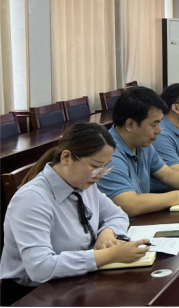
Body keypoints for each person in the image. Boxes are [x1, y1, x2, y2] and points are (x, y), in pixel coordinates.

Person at [0, 123, 151, 305]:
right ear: (66, 158)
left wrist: (107, 233)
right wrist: (110, 255)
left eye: (106, 167)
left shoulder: (84, 184)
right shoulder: (31, 199)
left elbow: (117, 215)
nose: (100, 175)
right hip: (34, 294)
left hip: (76, 280)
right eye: (96, 166)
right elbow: (40, 268)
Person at [96, 86, 179, 218]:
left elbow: (168, 175)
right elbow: (129, 205)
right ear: (130, 124)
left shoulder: (142, 144)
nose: (159, 130)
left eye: (160, 123)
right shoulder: (109, 154)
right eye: (153, 125)